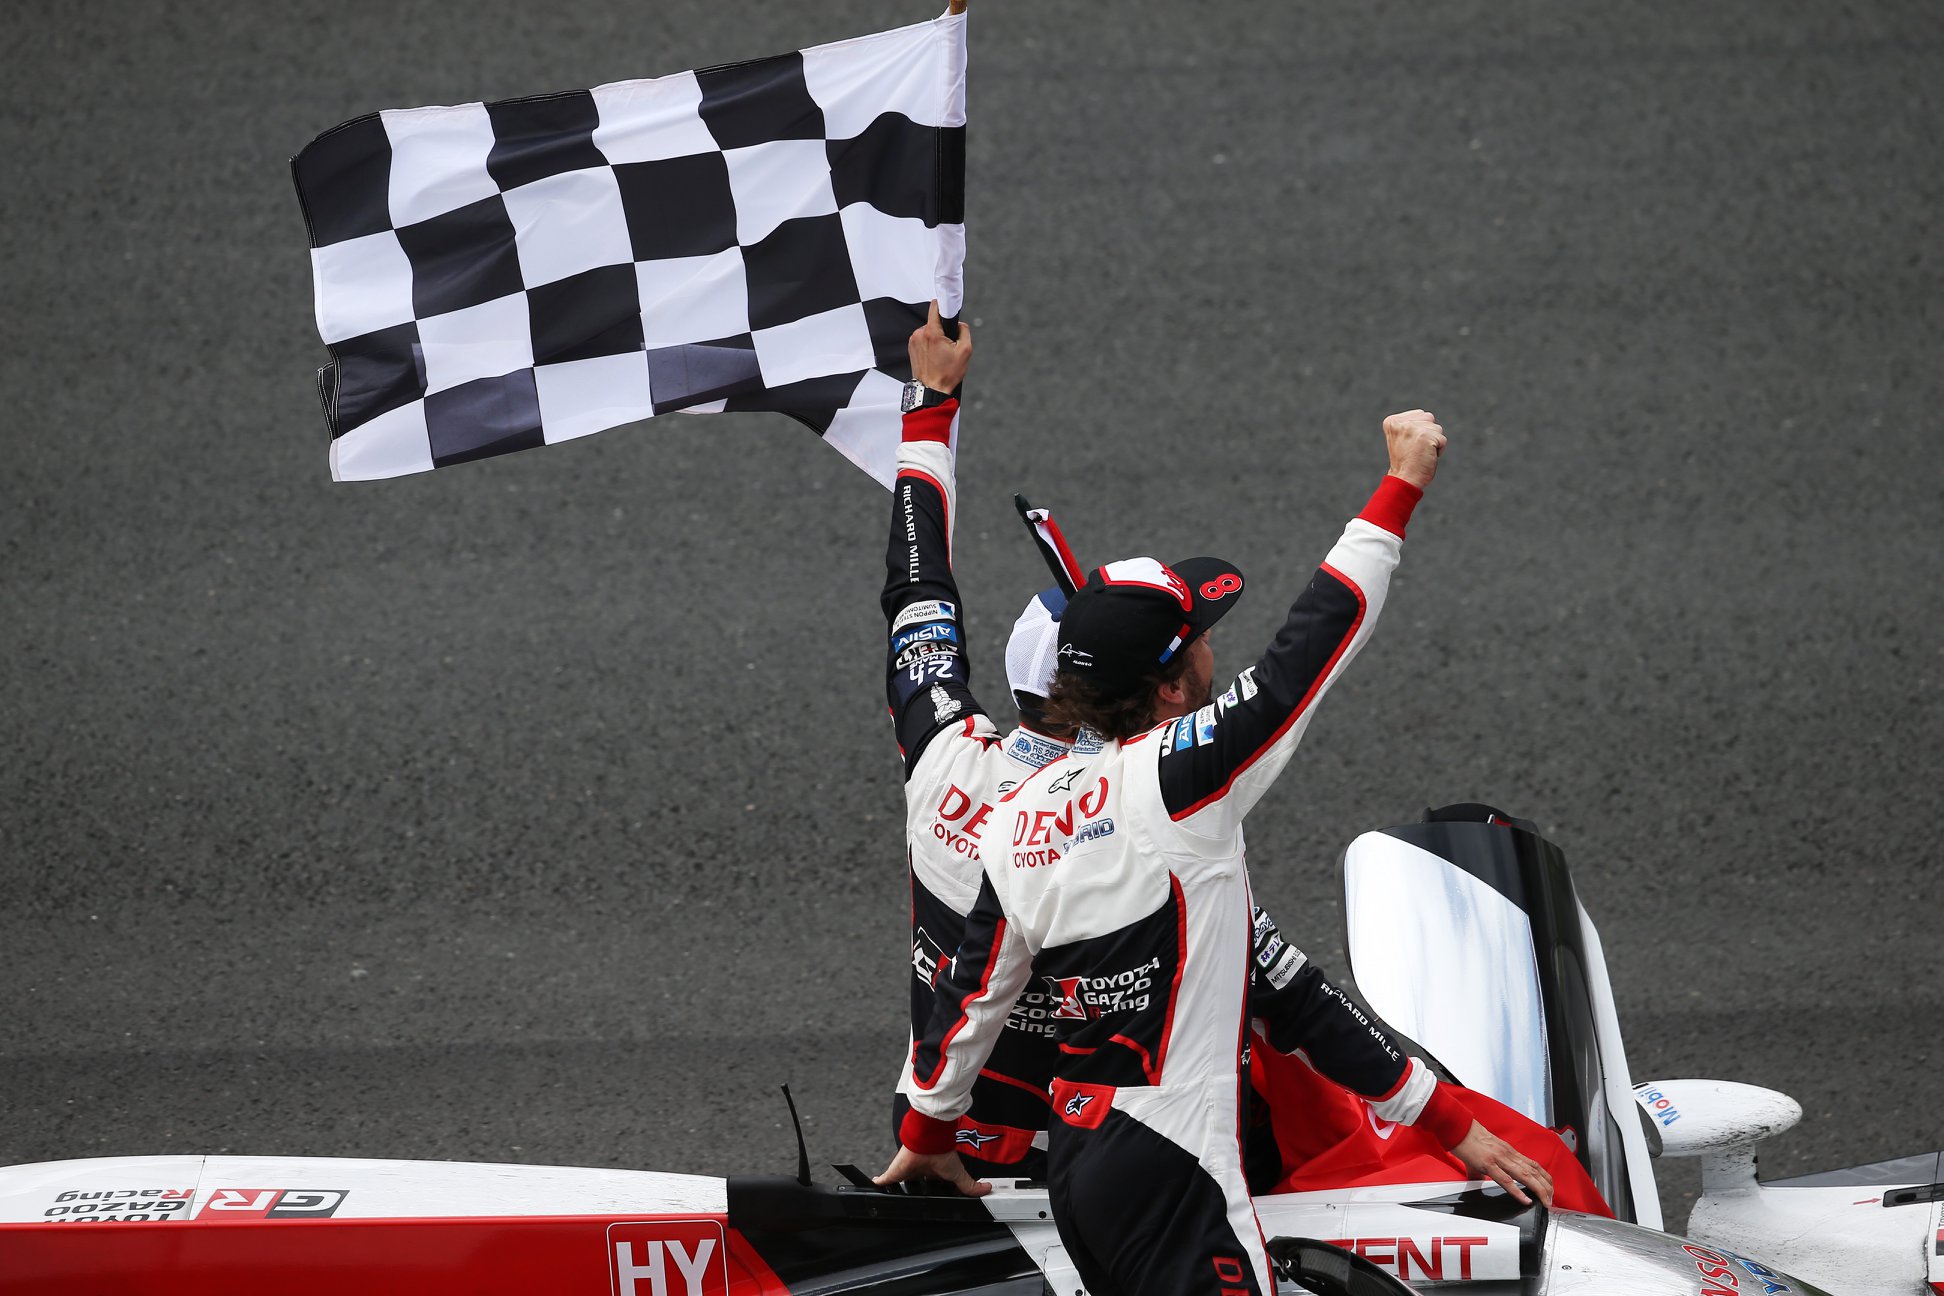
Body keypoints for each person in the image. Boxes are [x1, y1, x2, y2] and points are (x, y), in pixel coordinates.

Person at [877, 345, 1552, 1293]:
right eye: (1197, 642)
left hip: (1063, 1163)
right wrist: (1397, 490)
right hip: (1173, 1165)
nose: (1210, 658)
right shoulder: (1180, 787)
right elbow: (1303, 659)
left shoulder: (998, 809)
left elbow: (970, 989)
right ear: (1161, 688)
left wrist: (924, 1129)